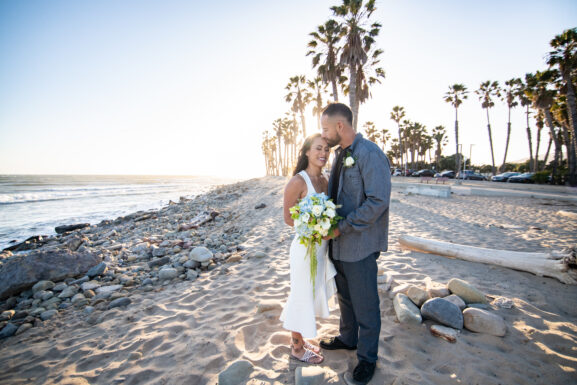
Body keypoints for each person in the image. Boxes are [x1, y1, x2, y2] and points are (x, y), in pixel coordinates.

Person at [320, 103, 391, 384]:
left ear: (340, 126)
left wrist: (342, 227)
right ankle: (348, 339)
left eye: (325, 129)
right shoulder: (339, 155)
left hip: (359, 245)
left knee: (366, 304)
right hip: (337, 245)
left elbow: (377, 202)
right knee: (345, 298)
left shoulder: (369, 154)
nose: (322, 135)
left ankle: (368, 358)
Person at [280, 133, 338, 364]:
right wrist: (314, 229)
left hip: (322, 249)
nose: (323, 153)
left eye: (326, 149)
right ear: (306, 152)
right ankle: (296, 348)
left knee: (311, 293)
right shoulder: (297, 181)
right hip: (305, 250)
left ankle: (301, 340)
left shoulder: (324, 180)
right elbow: (288, 218)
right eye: (318, 148)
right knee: (301, 295)